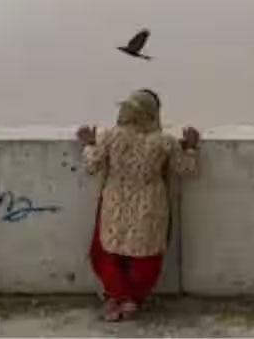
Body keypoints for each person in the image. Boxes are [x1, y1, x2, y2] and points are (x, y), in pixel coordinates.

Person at [76, 89, 199, 321]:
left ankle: (118, 298)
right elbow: (186, 169)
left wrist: (88, 143)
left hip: (115, 201)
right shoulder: (165, 142)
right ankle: (131, 299)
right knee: (145, 256)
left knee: (107, 253)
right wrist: (191, 147)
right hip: (150, 204)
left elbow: (92, 165)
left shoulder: (112, 136)